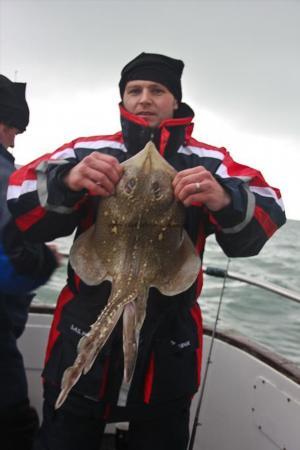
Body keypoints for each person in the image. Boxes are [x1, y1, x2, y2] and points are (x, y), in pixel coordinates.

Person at [7, 53, 286, 450]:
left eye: (157, 90)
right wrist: (68, 179)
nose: (144, 98)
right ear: (122, 100)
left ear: (176, 101)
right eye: (134, 90)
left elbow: (270, 210)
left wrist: (224, 197)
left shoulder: (210, 162)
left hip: (169, 347)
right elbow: (18, 193)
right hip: (82, 326)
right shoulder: (90, 150)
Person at [0, 74, 59, 450]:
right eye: (13, 131)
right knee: (15, 430)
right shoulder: (8, 180)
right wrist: (46, 259)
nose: (14, 140)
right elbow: (13, 269)